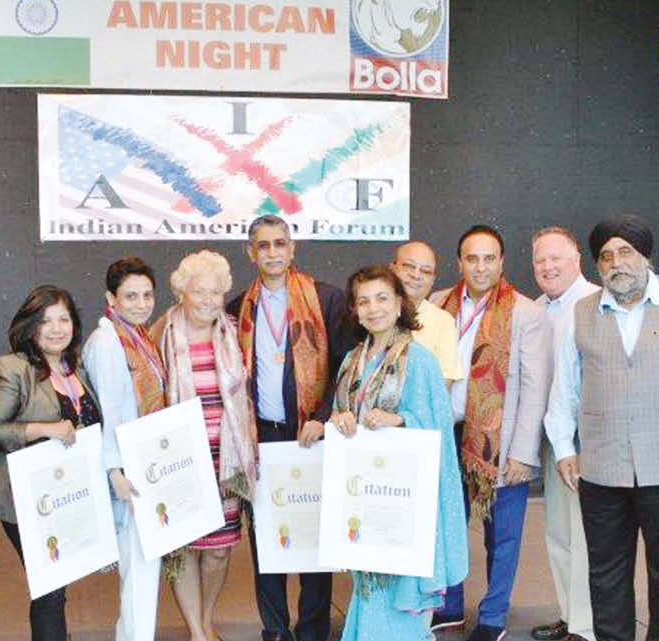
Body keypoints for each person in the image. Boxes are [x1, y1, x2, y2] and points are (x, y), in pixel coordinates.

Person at [544, 215, 659, 641]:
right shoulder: (582, 311)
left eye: (626, 252)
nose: (616, 263)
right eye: (606, 256)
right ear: (596, 266)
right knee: (606, 573)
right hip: (601, 467)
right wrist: (563, 448)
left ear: (646, 256)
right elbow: (565, 387)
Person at [326, 265, 467, 641]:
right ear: (354, 310)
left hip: (404, 506)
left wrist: (400, 419)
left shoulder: (419, 360)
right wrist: (341, 418)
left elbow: (438, 430)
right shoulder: (351, 361)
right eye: (364, 301)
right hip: (364, 500)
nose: (374, 308)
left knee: (398, 598)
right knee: (368, 590)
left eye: (382, 298)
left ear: (400, 303)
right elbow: (344, 411)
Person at [428, 226, 550, 641]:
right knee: (446, 527)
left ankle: (494, 617)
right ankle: (447, 607)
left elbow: (535, 388)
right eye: (471, 258)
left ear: (501, 262)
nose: (480, 267)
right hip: (447, 437)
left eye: (489, 258)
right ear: (459, 261)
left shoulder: (526, 311)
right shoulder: (436, 304)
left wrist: (522, 454)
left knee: (503, 537)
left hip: (499, 443)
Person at [226, 215, 346, 641]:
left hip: (310, 433)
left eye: (280, 244)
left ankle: (313, 628)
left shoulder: (327, 299)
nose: (273, 252)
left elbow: (344, 368)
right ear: (251, 252)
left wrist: (324, 417)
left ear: (292, 248)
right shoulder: (237, 307)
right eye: (263, 246)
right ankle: (274, 628)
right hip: (262, 436)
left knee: (315, 535)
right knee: (266, 537)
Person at [0, 285, 99, 641]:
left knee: (56, 584)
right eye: (46, 320)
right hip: (26, 498)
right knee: (50, 587)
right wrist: (43, 429)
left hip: (67, 492)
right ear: (31, 325)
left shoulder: (76, 368)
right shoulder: (12, 368)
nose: (56, 328)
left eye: (63, 319)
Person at [154, 250, 257, 641]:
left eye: (216, 293)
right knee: (183, 549)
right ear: (182, 292)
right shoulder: (162, 333)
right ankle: (197, 631)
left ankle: (207, 618)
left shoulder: (232, 331)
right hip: (177, 461)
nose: (209, 300)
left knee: (217, 549)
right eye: (200, 292)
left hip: (225, 461)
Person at [82, 257, 168, 641]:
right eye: (130, 296)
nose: (141, 303)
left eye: (147, 295)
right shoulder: (106, 340)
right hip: (127, 473)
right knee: (139, 570)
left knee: (142, 569)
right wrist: (115, 471)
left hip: (146, 463)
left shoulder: (139, 335)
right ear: (110, 298)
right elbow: (110, 410)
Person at [528, 227, 600, 641]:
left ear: (577, 260)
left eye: (557, 258)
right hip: (551, 442)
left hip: (582, 443)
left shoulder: (592, 305)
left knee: (582, 537)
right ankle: (569, 615)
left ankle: (587, 627)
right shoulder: (536, 309)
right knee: (556, 532)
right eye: (540, 260)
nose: (548, 266)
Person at [391, 241, 464, 384]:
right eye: (409, 266)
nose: (416, 275)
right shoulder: (374, 312)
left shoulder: (443, 322)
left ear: (432, 280)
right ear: (392, 268)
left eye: (425, 271)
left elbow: (443, 386)